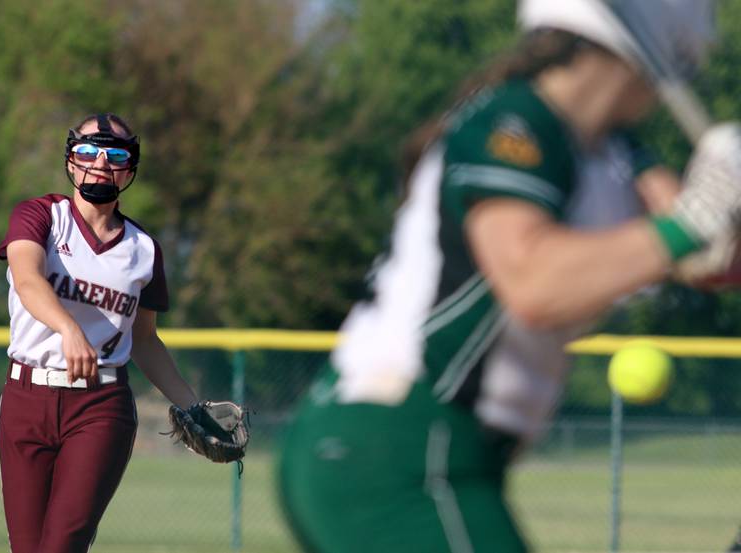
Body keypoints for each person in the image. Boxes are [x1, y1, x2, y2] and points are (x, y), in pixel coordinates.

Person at [278, 1, 740, 551]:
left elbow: (705, 258)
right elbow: (534, 285)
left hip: (441, 456)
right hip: (398, 449)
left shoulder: (611, 150)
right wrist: (693, 221)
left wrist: (719, 212)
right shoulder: (514, 119)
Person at [0, 113, 203, 553]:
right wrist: (69, 329)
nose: (101, 162)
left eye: (116, 154)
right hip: (26, 399)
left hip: (99, 404)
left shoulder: (142, 249)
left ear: (130, 168)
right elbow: (28, 280)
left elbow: (144, 340)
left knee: (62, 546)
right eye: (89, 150)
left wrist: (192, 407)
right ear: (71, 161)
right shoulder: (40, 216)